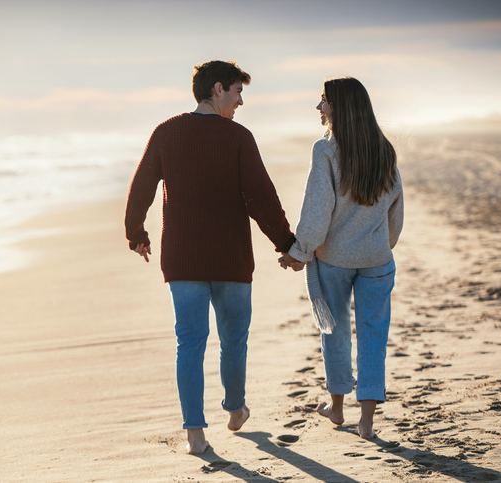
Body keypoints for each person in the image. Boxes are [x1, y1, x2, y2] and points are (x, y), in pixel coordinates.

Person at [125, 60, 295, 454]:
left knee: (190, 342)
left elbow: (141, 187)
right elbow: (261, 198)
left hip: (183, 258)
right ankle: (235, 410)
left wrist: (136, 233)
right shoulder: (238, 137)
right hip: (231, 258)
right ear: (217, 89)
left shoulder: (166, 132)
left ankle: (195, 434)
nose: (240, 101)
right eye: (237, 92)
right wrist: (287, 244)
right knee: (233, 340)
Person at [279, 77, 404, 439]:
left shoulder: (326, 150)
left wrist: (299, 252)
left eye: (324, 101)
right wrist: (381, 244)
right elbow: (395, 212)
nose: (319, 107)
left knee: (333, 333)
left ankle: (336, 408)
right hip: (378, 261)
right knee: (373, 337)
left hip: (334, 260)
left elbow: (318, 211)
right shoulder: (385, 150)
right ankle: (365, 422)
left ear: (341, 107)